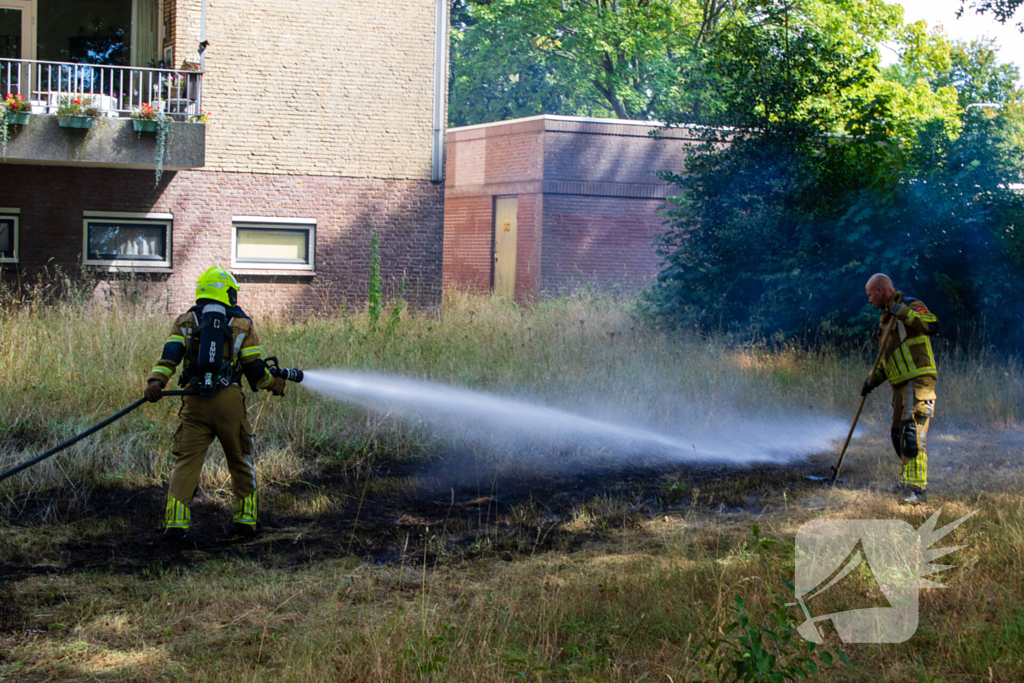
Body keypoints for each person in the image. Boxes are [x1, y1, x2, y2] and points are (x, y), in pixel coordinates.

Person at [145, 266, 287, 541]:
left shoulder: (185, 321)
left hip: (193, 401)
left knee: (186, 463)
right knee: (240, 460)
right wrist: (275, 384)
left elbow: (170, 356)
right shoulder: (242, 323)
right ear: (227, 293)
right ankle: (246, 522)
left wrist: (155, 382)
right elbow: (256, 372)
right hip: (228, 402)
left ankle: (176, 524)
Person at [861, 273, 939, 504]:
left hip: (918, 381)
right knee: (898, 435)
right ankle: (907, 482)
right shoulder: (885, 320)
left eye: (870, 296)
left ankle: (916, 490)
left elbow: (933, 325)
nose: (869, 301)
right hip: (900, 386)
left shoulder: (910, 305)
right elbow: (887, 361)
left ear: (880, 291)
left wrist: (903, 313)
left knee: (911, 433)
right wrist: (872, 381)